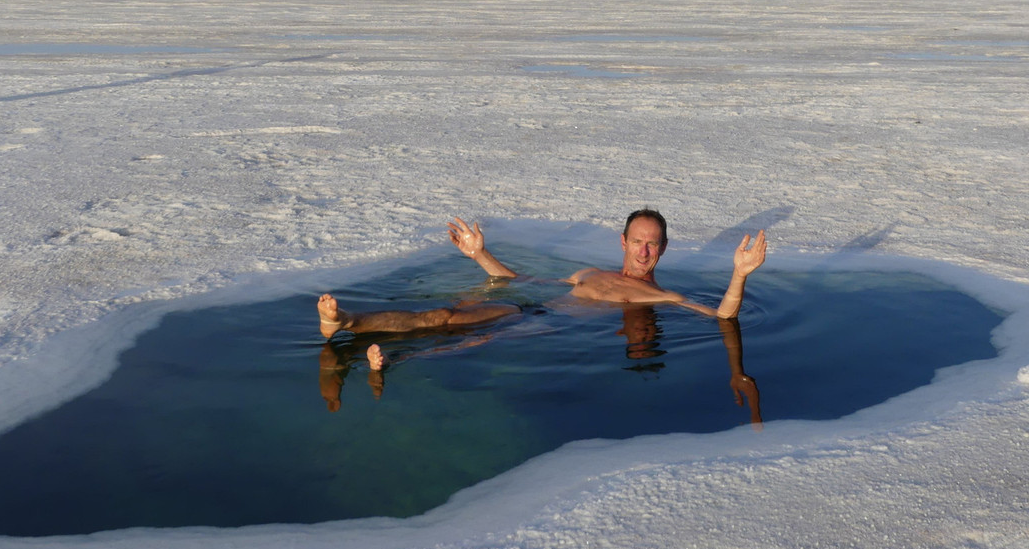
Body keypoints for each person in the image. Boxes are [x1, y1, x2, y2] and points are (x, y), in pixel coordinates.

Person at [317, 209, 767, 347]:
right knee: (441, 317)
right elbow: (523, 282)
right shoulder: (588, 273)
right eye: (637, 242)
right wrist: (481, 255)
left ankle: (382, 355)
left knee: (462, 337)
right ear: (623, 242)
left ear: (664, 248)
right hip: (527, 310)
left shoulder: (664, 296)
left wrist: (739, 274)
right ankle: (348, 321)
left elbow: (721, 316)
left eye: (653, 244)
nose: (645, 251)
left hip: (546, 328)